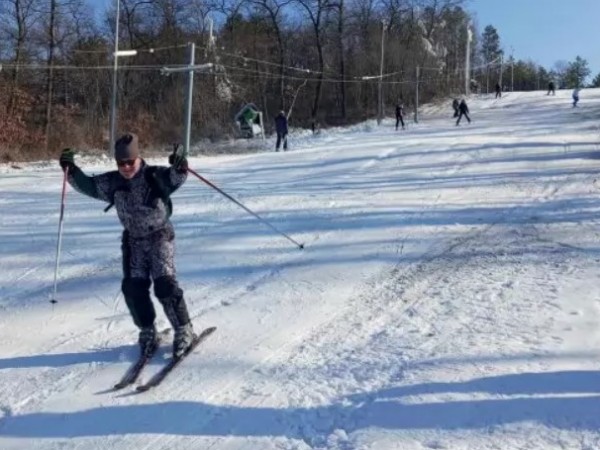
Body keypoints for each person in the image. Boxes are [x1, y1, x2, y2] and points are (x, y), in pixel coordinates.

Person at [58, 133, 195, 359]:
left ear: (138, 158)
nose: (126, 167)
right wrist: (70, 169)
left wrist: (180, 162)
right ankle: (148, 330)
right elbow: (88, 185)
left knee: (164, 284)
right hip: (133, 240)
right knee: (133, 287)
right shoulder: (113, 182)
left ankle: (183, 328)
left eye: (130, 162)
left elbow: (177, 176)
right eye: (121, 163)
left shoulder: (154, 176)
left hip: (159, 235)